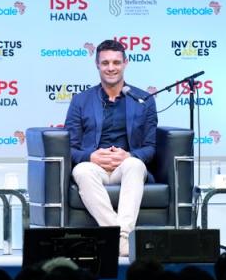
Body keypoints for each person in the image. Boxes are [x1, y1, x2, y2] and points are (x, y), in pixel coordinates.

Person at [65, 39, 157, 257]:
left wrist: (129, 155)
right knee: (81, 170)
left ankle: (120, 237)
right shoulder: (81, 100)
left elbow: (151, 147)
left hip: (124, 167)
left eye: (116, 62)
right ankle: (122, 243)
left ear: (125, 63)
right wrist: (91, 156)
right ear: (97, 65)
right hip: (95, 168)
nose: (111, 68)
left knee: (135, 164)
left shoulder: (143, 99)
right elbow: (68, 147)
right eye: (105, 63)